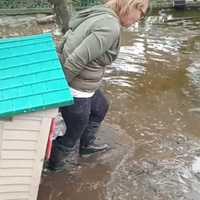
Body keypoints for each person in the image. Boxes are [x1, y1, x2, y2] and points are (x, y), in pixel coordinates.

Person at [48, 0, 150, 171]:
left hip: (83, 83)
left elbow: (66, 38)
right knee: (74, 131)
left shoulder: (99, 13)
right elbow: (76, 60)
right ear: (128, 6)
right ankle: (55, 166)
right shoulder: (110, 27)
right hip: (77, 87)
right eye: (140, 11)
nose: (139, 18)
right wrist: (58, 91)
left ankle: (87, 147)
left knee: (100, 107)